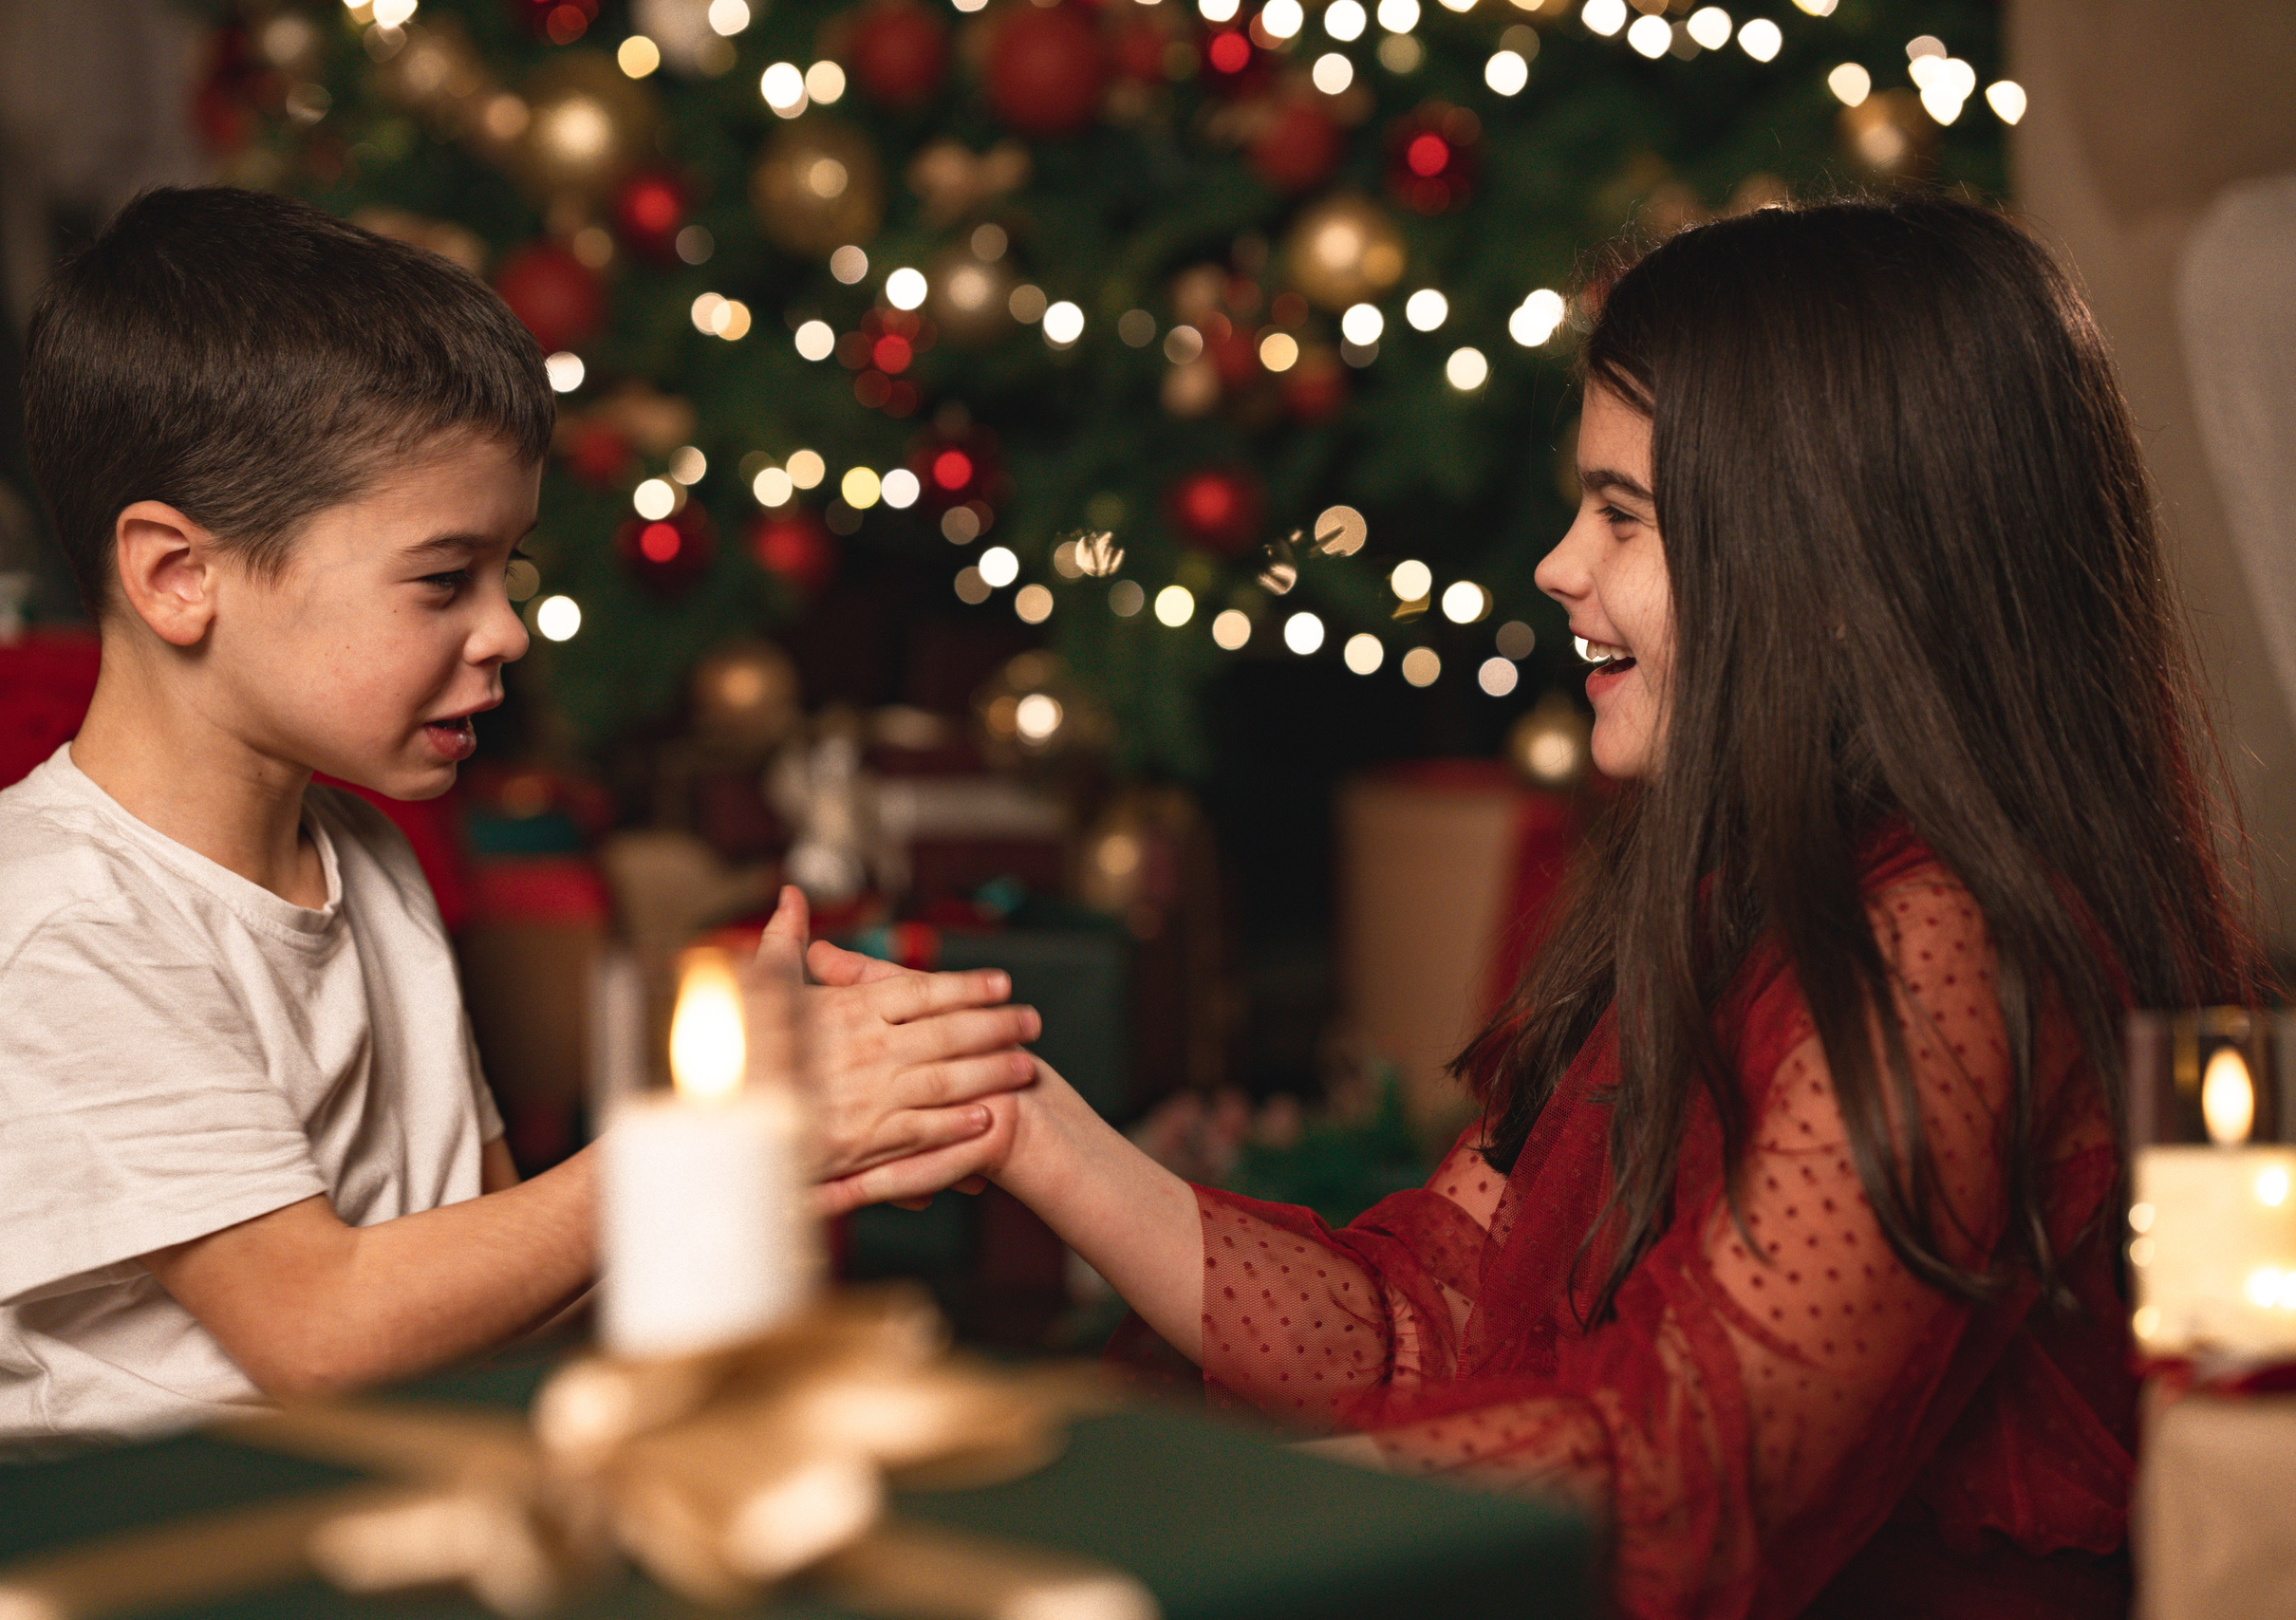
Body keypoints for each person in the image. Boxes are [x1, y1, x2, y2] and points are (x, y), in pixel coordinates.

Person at [811, 198, 2264, 1618]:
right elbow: (1422, 1332)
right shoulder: (1716, 896)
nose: (1558, 567)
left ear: (1826, 567)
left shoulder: (1936, 946)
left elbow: (1687, 1485)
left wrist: (1160, 1498)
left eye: (1621, 515)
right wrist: (1023, 1122)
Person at [0, 188, 1036, 1464]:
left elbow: (487, 1291)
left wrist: (760, 1159)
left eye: (506, 573)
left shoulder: (366, 864)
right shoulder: (66, 930)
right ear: (177, 577)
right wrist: (725, 1129)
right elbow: (316, 1331)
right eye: (442, 580)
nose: (505, 632)